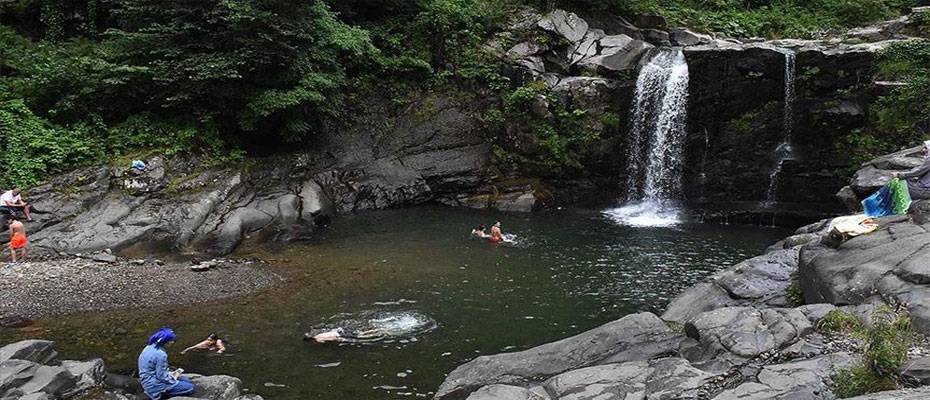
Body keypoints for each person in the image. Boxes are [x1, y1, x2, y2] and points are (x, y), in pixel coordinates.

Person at [138, 327, 195, 400]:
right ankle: (162, 394)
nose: (172, 342)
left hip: (146, 380)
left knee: (186, 380)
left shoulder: (149, 347)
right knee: (190, 388)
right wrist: (172, 378)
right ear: (165, 342)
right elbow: (161, 376)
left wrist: (171, 374)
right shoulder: (161, 355)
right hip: (154, 385)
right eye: (171, 341)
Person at [303, 327, 380, 343]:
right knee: (360, 333)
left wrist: (340, 340)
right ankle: (375, 330)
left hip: (340, 335)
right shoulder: (318, 334)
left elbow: (332, 338)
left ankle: (378, 332)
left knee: (360, 337)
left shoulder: (318, 340)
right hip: (341, 330)